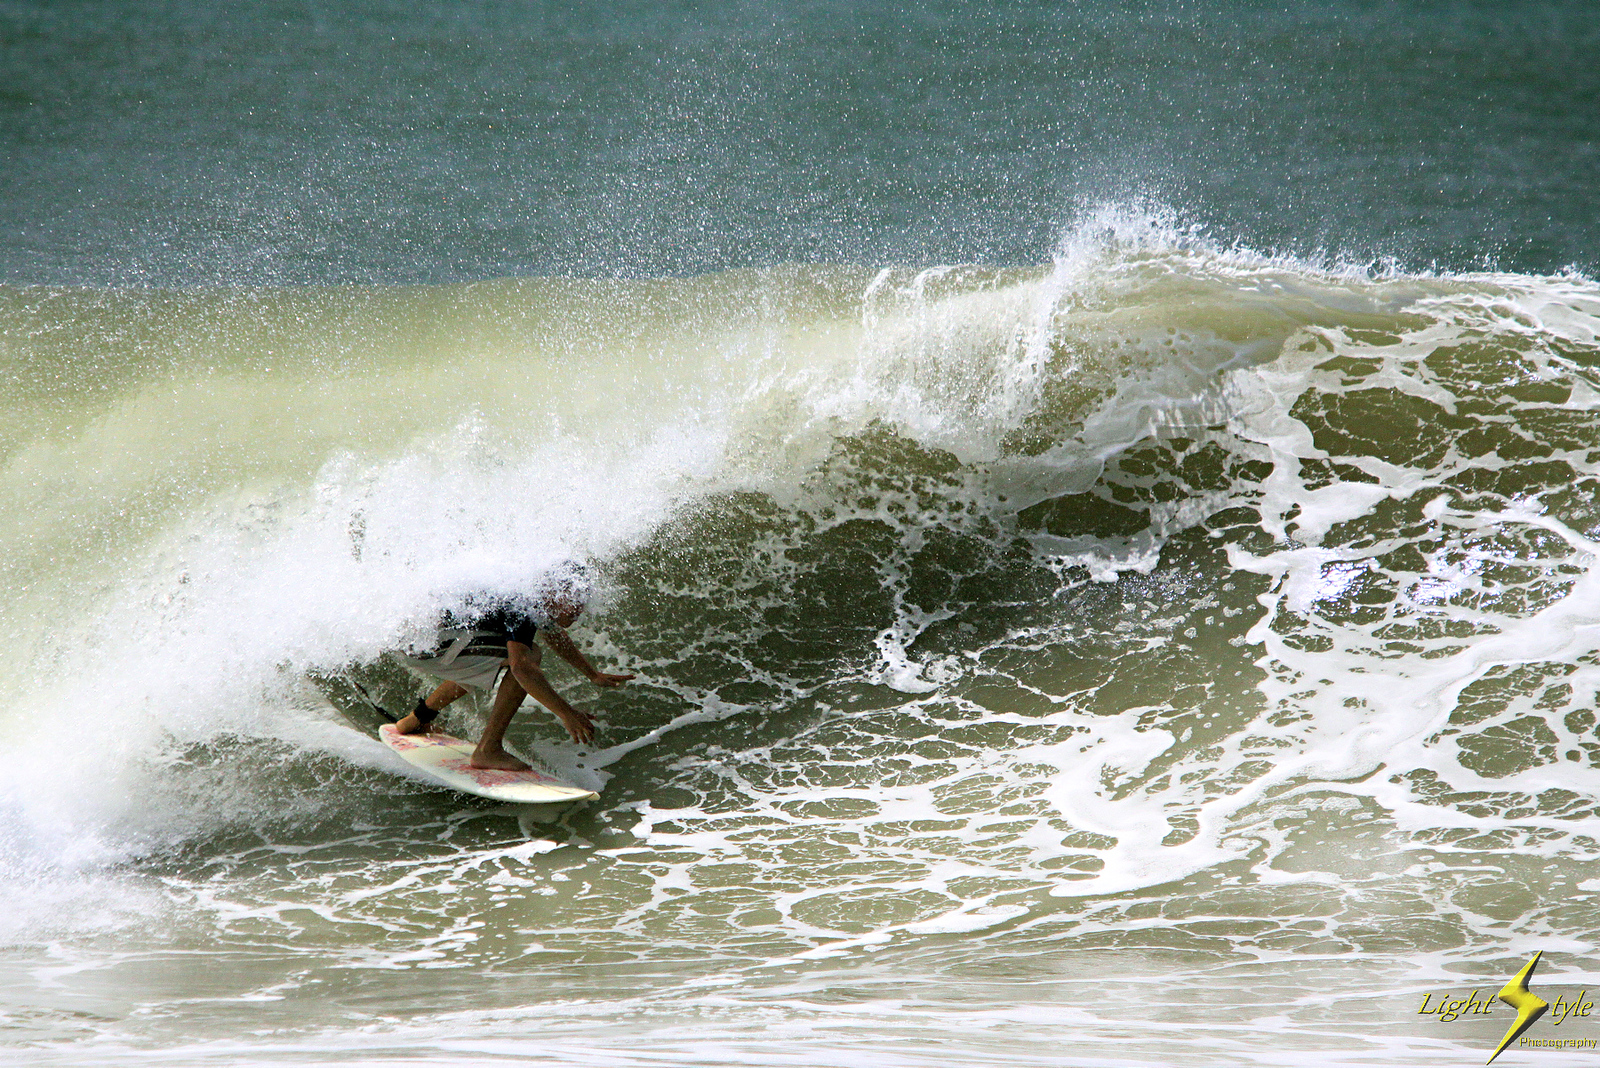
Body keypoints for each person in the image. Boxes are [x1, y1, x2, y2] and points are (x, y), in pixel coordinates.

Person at [392, 571, 632, 770]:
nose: (579, 612)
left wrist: (592, 675)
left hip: (414, 639)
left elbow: (554, 635)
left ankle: (415, 720)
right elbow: (521, 668)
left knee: (492, 658)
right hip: (425, 645)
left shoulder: (529, 589)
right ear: (558, 594)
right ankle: (488, 749)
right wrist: (568, 714)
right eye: (576, 603)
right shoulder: (524, 604)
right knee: (525, 658)